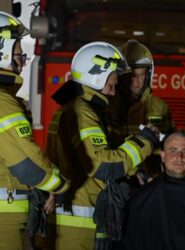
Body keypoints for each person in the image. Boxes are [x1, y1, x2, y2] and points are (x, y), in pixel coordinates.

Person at [45, 41, 160, 249]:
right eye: (111, 85)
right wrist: (144, 143)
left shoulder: (82, 108)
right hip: (79, 221)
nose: (114, 92)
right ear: (95, 79)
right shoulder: (84, 112)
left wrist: (133, 171)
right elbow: (102, 164)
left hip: (79, 216)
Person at [0, 11, 69, 250]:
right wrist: (58, 185)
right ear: (3, 51)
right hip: (4, 221)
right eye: (20, 52)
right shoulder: (2, 103)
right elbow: (27, 165)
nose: (25, 59)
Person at [106, 39, 174, 183]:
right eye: (131, 76)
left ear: (148, 75)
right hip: (117, 178)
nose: (136, 82)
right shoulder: (108, 106)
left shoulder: (159, 106)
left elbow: (170, 144)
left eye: (141, 75)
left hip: (150, 179)